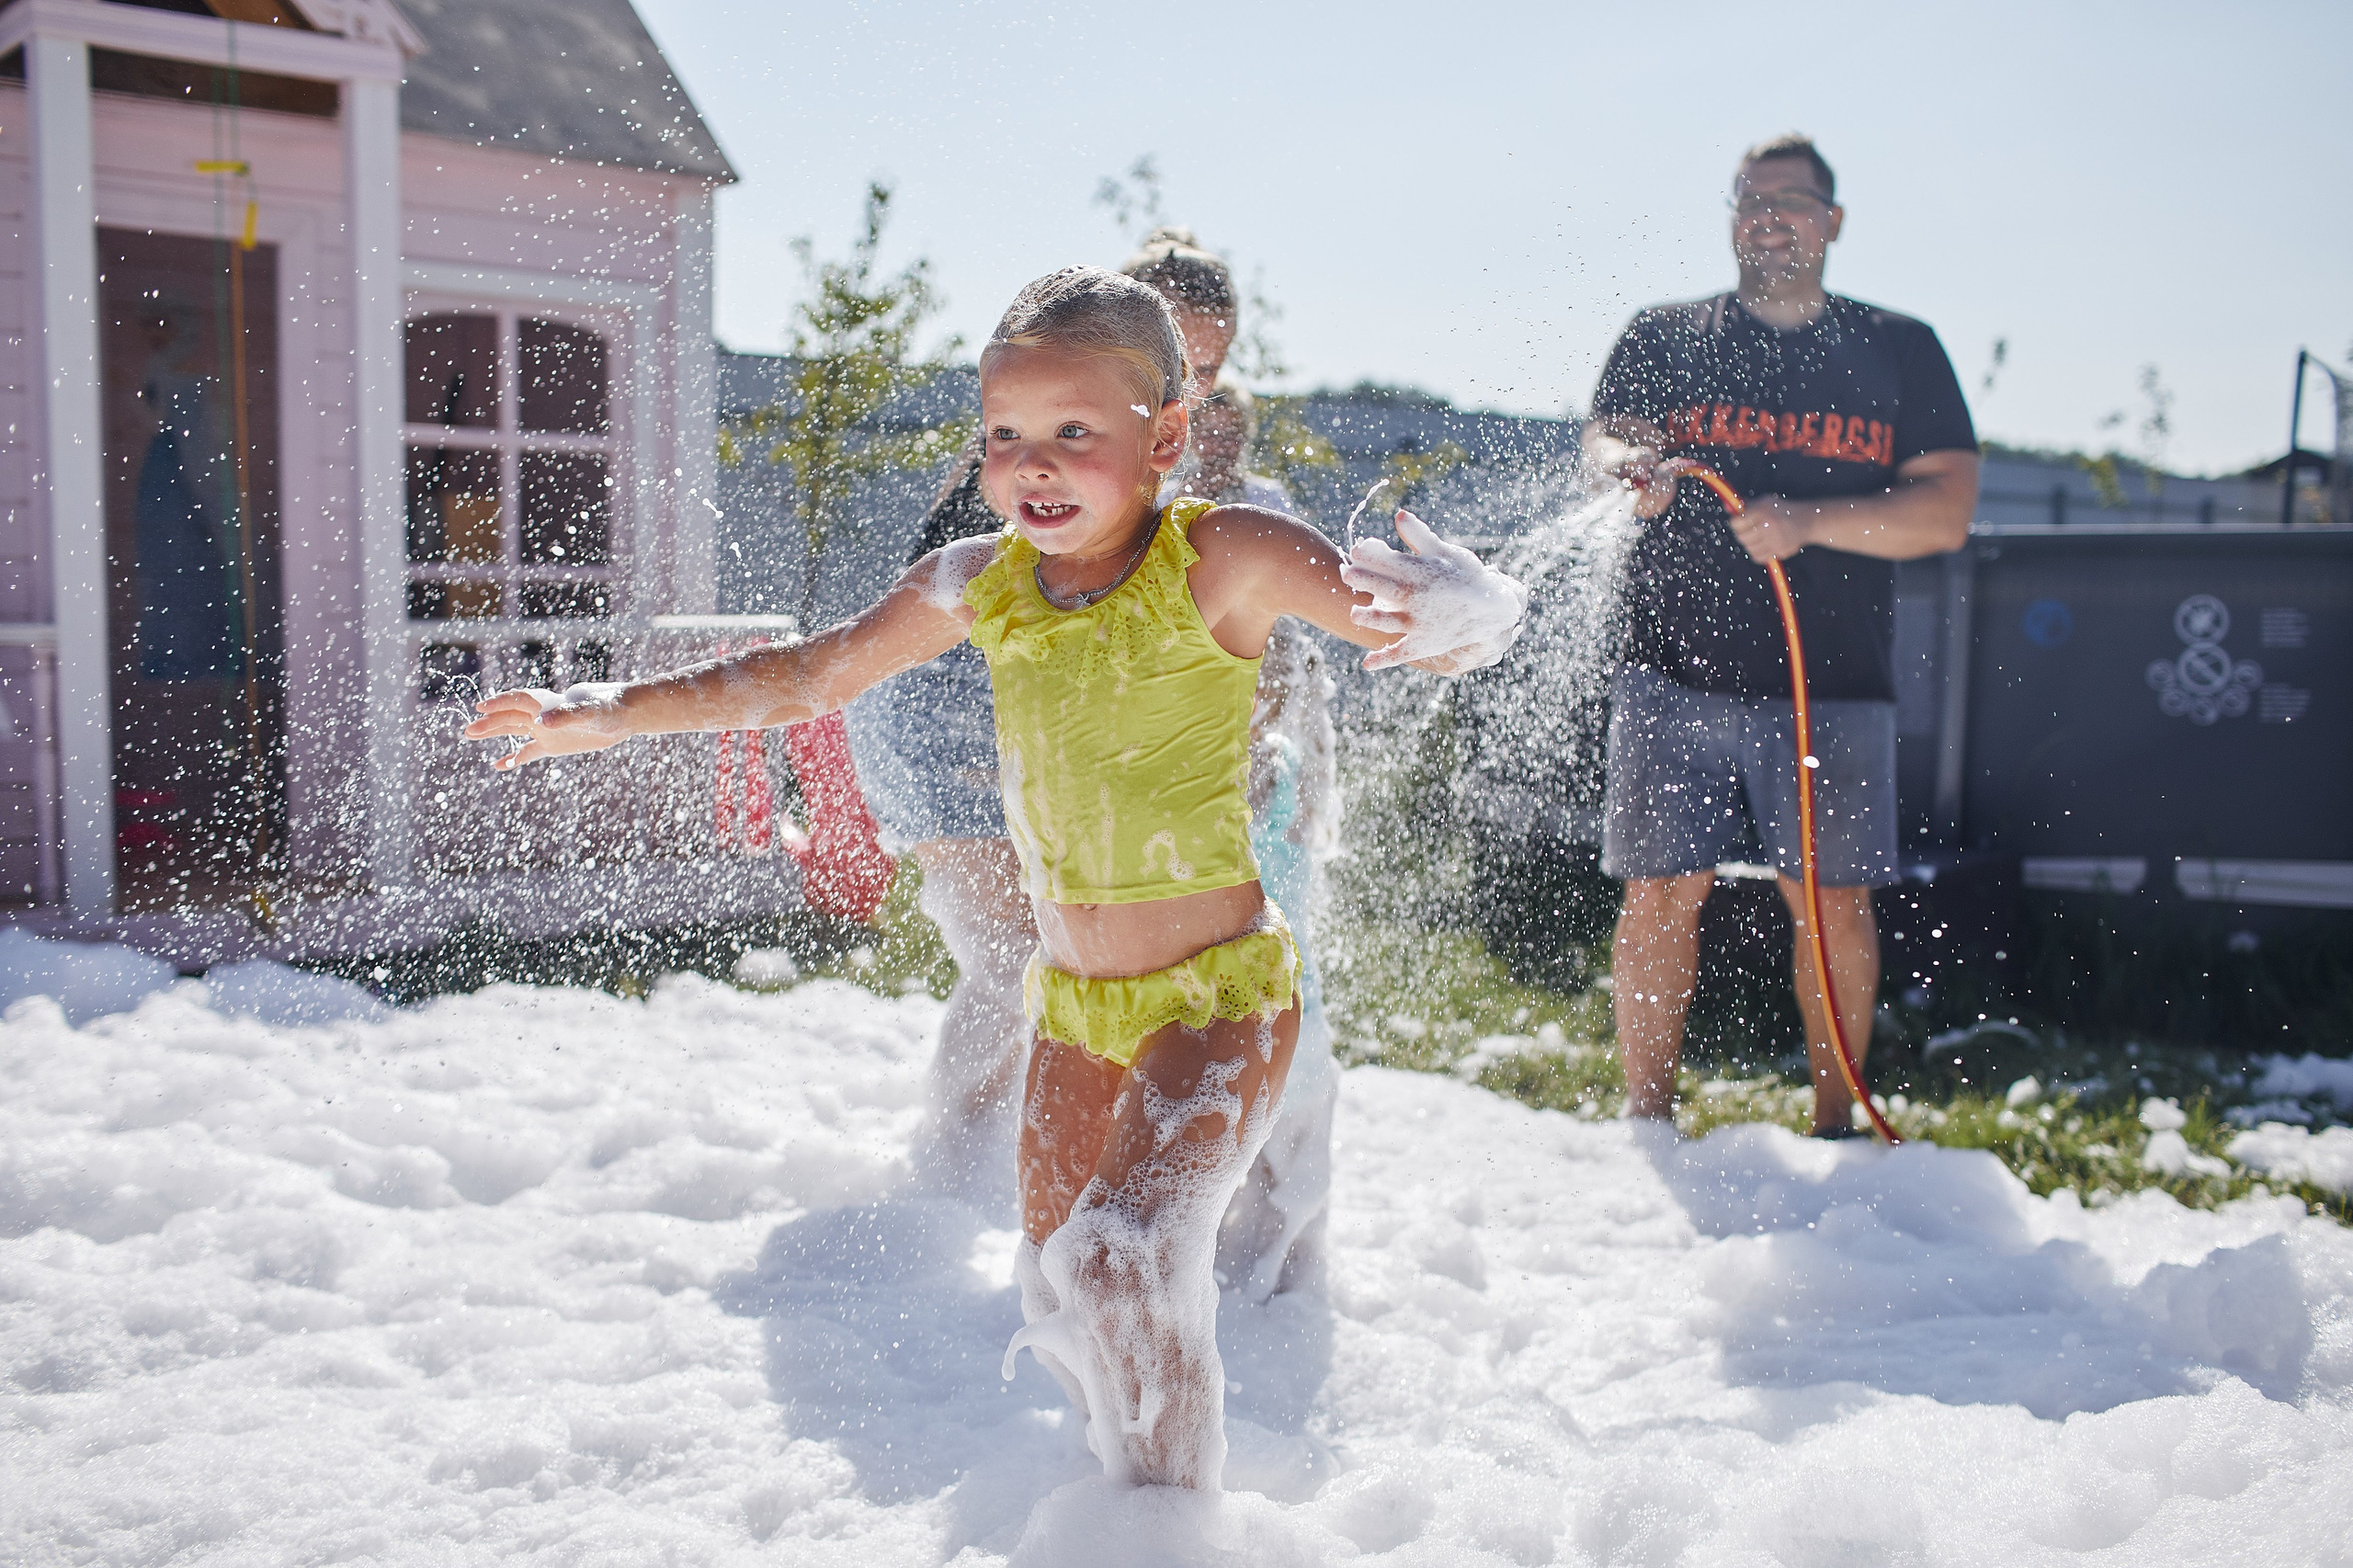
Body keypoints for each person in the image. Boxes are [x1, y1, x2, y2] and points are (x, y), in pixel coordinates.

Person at [464, 266, 1529, 1488]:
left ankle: (1173, 1524)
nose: (1034, 462)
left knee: (1124, 1255)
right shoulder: (982, 582)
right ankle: (1129, 1502)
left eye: (1075, 431)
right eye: (1006, 434)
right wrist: (607, 709)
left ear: (1167, 436)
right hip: (1074, 1010)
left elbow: (1409, 624)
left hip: (1220, 999)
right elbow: (813, 674)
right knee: (1062, 1283)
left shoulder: (1221, 557)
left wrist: (1470, 608)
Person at [1581, 134, 1979, 1138]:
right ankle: (1645, 1119)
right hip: (1671, 674)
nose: (1768, 216)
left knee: (1834, 903)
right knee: (1659, 894)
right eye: (1750, 199)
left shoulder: (1897, 346)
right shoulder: (1665, 333)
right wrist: (1635, 466)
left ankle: (1837, 1122)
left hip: (1833, 687)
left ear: (1832, 222)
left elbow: (1944, 513)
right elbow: (1604, 444)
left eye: (1791, 201)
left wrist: (1808, 522)